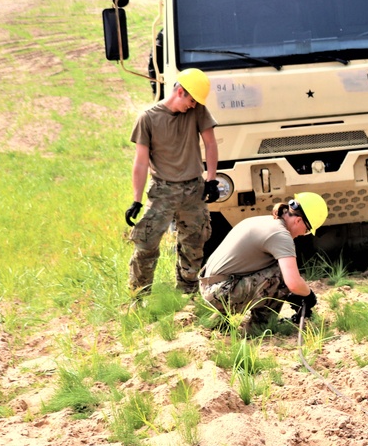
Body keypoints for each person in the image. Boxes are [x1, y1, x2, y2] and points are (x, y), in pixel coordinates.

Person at [126, 68, 220, 297]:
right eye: (191, 100)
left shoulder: (197, 111)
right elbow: (140, 162)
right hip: (162, 190)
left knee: (194, 244)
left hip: (193, 189)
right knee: (146, 243)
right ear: (179, 91)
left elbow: (210, 144)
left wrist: (211, 180)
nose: (194, 105)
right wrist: (137, 201)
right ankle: (138, 296)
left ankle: (186, 294)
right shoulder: (147, 118)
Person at [198, 193, 328, 334]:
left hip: (210, 287)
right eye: (307, 230)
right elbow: (293, 282)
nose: (304, 234)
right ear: (298, 221)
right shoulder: (281, 235)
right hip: (221, 292)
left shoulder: (263, 221)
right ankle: (259, 327)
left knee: (280, 270)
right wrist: (308, 296)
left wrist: (292, 294)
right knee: (281, 275)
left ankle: (217, 321)